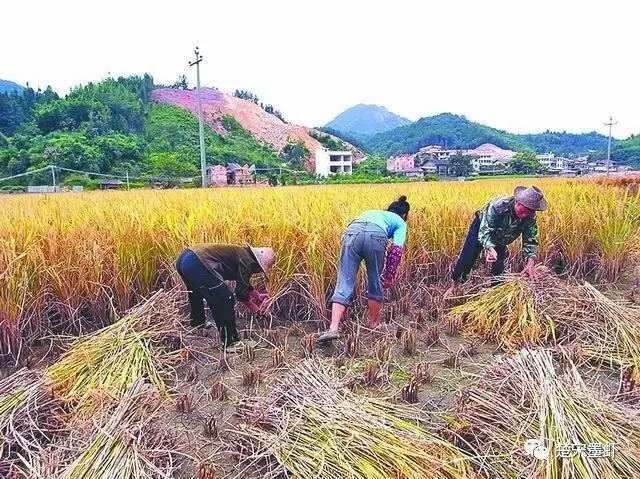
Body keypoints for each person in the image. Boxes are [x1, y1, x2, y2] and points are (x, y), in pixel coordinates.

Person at [318, 196, 410, 343]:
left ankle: (333, 328)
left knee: (344, 281)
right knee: (375, 281)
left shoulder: (373, 213)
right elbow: (396, 250)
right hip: (376, 236)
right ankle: (373, 324)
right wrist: (389, 276)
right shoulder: (400, 222)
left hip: (352, 232)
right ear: (404, 215)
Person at [175, 243, 275, 352]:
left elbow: (242, 281)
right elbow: (241, 293)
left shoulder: (243, 254)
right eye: (260, 269)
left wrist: (258, 295)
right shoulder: (248, 261)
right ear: (258, 264)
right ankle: (230, 342)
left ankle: (198, 323)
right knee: (225, 298)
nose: (259, 272)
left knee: (196, 292)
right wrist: (255, 308)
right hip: (196, 262)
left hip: (184, 259)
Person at [448, 185, 548, 289]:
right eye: (522, 211)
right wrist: (490, 248)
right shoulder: (499, 206)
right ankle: (455, 285)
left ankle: (495, 290)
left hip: (502, 236)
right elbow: (485, 230)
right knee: (468, 256)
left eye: (528, 213)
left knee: (499, 265)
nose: (524, 216)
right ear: (517, 202)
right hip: (482, 227)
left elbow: (531, 240)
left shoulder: (530, 217)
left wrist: (530, 263)